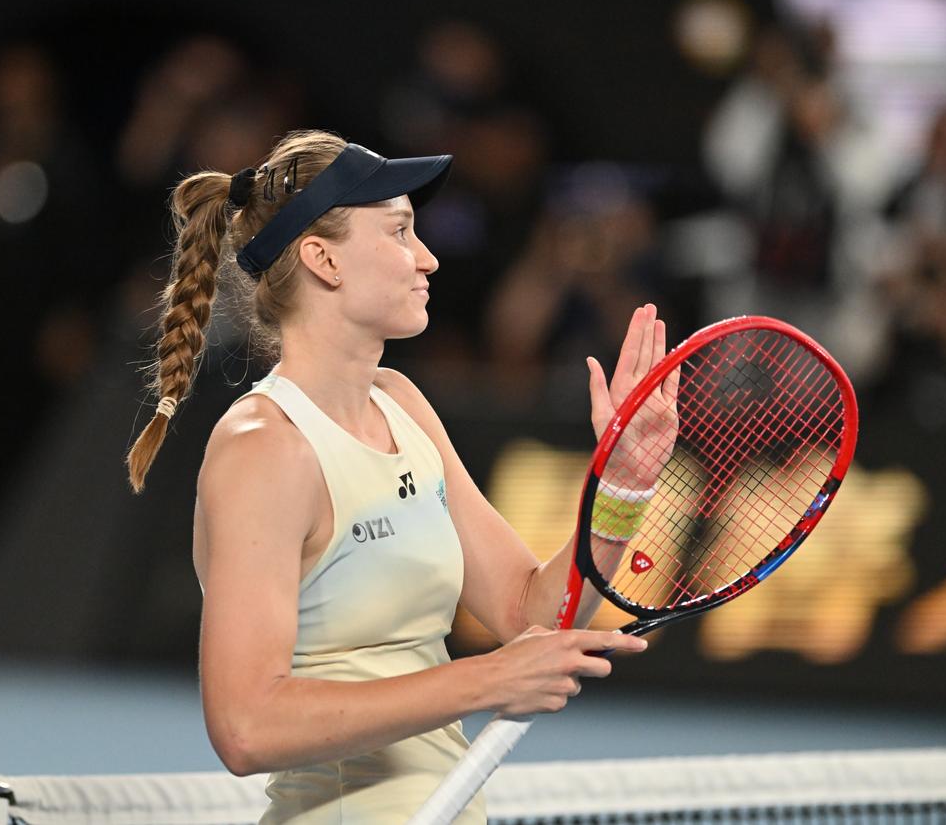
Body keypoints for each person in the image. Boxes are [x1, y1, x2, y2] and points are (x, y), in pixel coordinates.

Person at [126, 131, 664, 823]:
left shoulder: (402, 404)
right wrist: (486, 679)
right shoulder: (263, 449)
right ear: (323, 258)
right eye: (401, 231)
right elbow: (245, 725)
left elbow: (528, 610)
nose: (428, 257)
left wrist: (621, 486)